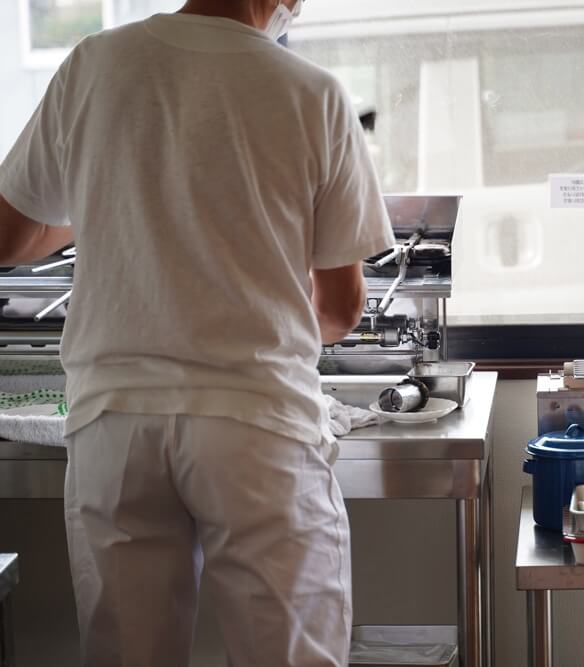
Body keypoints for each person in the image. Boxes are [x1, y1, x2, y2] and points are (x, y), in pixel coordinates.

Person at [0, 0, 394, 664]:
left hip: (115, 421)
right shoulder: (313, 93)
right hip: (255, 424)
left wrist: (118, 198)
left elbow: (13, 235)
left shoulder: (95, 63)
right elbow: (341, 306)